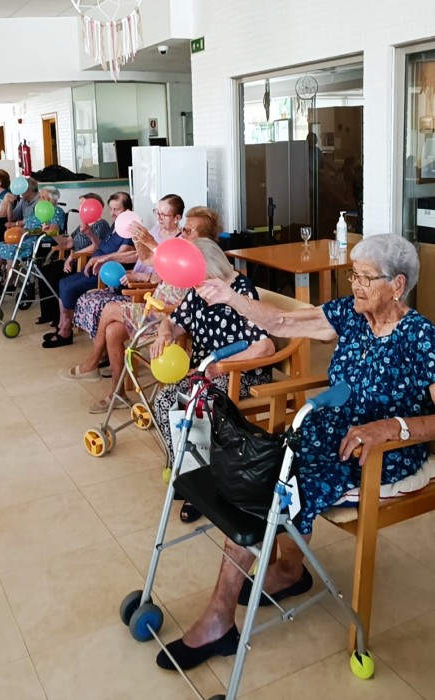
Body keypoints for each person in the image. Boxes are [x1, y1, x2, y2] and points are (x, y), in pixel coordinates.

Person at [155, 233, 435, 672]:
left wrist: (391, 427)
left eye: (365, 278)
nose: (354, 285)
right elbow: (283, 323)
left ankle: (218, 619)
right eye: (353, 274)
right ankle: (290, 570)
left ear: (397, 285)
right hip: (326, 431)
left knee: (268, 487)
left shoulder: (421, 338)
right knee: (262, 467)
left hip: (381, 450)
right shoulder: (351, 314)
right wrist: (231, 297)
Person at [151, 238, 274, 522]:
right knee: (164, 400)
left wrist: (221, 367)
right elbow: (174, 321)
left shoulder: (241, 292)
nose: (197, 288)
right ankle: (187, 471)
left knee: (199, 404)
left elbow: (264, 347)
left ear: (212, 270)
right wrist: (164, 333)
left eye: (199, 280)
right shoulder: (198, 289)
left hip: (240, 374)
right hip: (203, 373)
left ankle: (208, 482)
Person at [58, 208, 224, 415]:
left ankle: (91, 364)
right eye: (184, 228)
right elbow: (146, 260)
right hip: (152, 310)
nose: (184, 233)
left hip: (170, 318)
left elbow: (178, 273)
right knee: (112, 331)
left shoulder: (204, 257)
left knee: (110, 308)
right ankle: (118, 394)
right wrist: (137, 238)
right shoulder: (181, 248)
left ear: (205, 237)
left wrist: (153, 243)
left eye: (189, 230)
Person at [72, 194, 186, 340]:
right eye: (157, 212)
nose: (158, 218)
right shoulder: (156, 230)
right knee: (88, 300)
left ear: (177, 218)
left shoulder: (180, 242)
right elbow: (139, 255)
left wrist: (139, 276)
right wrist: (109, 257)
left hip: (144, 290)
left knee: (101, 306)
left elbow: (167, 273)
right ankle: (100, 350)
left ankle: (97, 351)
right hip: (131, 281)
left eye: (163, 215)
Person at [42, 191, 136, 348]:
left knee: (69, 287)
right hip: (92, 266)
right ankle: (62, 326)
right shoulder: (116, 225)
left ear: (127, 210)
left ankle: (65, 331)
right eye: (111, 209)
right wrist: (89, 234)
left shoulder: (129, 230)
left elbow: (121, 255)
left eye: (116, 210)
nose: (112, 214)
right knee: (63, 283)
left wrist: (98, 259)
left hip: (104, 272)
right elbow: (98, 246)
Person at [35, 193, 107, 326]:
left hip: (85, 262)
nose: (80, 208)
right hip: (73, 259)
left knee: (55, 275)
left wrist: (73, 256)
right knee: (43, 271)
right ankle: (48, 314)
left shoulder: (101, 224)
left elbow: (96, 247)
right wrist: (52, 233)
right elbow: (67, 243)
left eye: (83, 205)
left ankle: (58, 316)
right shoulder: (82, 225)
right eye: (79, 205)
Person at [0, 186, 65, 290]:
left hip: (39, 241)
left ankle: (9, 282)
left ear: (51, 200)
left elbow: (54, 230)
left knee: (11, 248)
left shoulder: (56, 212)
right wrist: (16, 226)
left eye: (42, 197)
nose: (40, 199)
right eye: (40, 196)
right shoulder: (38, 209)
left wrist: (33, 231)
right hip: (25, 237)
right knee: (1, 244)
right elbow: (26, 222)